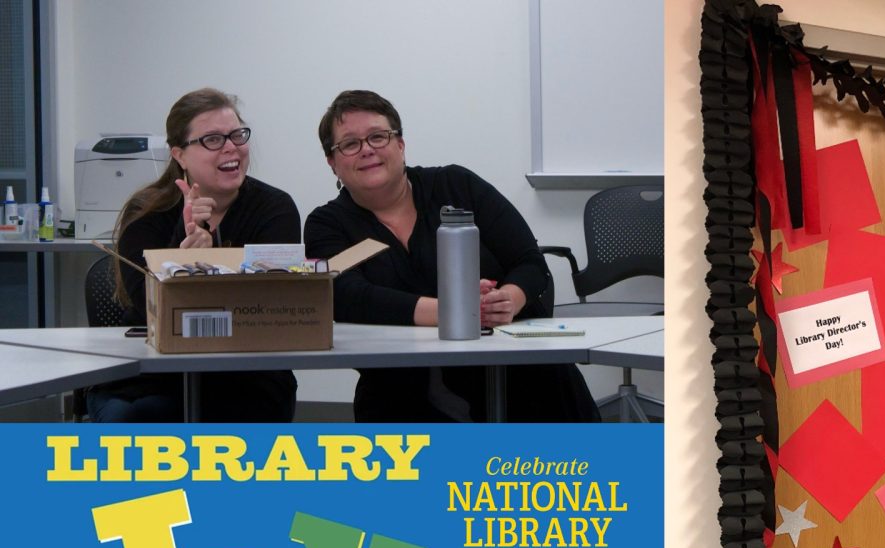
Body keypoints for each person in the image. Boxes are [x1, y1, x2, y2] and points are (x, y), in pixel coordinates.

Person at [304, 89, 599, 422]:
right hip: (402, 382)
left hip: (516, 366)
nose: (367, 150)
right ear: (332, 161)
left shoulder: (457, 185)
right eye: (350, 144)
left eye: (378, 137)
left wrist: (506, 301)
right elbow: (343, 295)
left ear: (400, 144)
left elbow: (530, 263)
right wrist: (454, 312)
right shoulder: (326, 224)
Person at [88, 88, 300, 422]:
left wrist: (213, 263)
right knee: (129, 422)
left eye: (236, 134)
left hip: (246, 373)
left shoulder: (274, 209)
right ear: (179, 155)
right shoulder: (147, 213)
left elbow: (273, 307)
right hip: (154, 375)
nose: (231, 147)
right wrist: (180, 260)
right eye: (213, 139)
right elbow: (148, 306)